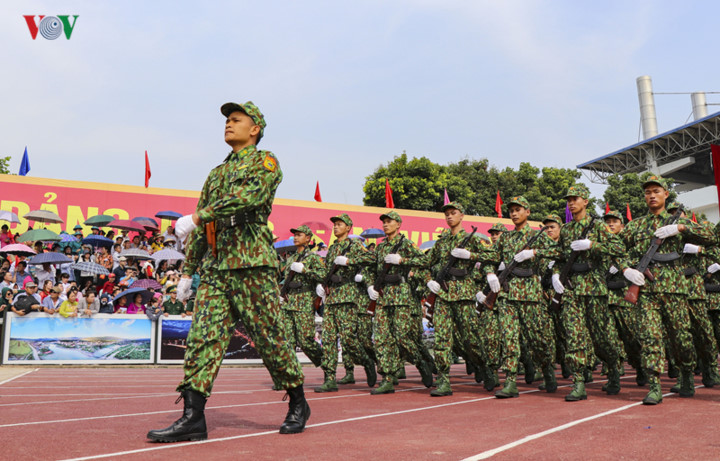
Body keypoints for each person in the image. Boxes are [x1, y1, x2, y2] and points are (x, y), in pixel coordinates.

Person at [147, 100, 308, 443]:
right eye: (227, 120)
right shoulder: (216, 173)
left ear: (255, 129)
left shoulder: (265, 162)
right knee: (203, 338)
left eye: (236, 120)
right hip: (218, 270)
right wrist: (189, 272)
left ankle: (297, 401)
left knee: (270, 337)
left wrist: (200, 216)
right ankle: (193, 416)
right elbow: (205, 228)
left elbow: (248, 198)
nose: (228, 124)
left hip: (253, 266)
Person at [620, 176, 715, 404]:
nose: (651, 195)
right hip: (646, 289)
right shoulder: (635, 226)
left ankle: (685, 374)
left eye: (656, 191)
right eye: (647, 192)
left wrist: (681, 228)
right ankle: (654, 385)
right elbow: (616, 250)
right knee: (650, 337)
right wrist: (626, 269)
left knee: (681, 337)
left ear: (666, 195)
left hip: (675, 288)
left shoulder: (677, 222)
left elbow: (711, 237)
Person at [480, 197, 559, 398]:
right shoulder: (505, 238)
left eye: (518, 209)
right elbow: (489, 258)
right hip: (507, 294)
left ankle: (548, 369)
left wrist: (534, 252)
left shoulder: (538, 235)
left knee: (537, 339)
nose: (514, 213)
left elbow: (558, 251)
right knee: (509, 338)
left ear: (528, 211)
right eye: (512, 210)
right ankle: (511, 380)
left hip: (531, 293)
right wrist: (490, 273)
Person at [420, 202, 487, 396]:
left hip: (464, 294)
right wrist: (428, 281)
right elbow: (424, 263)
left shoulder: (470, 239)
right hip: (443, 295)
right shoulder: (440, 243)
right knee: (442, 339)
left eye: (453, 213)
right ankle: (443, 380)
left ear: (462, 215)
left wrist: (470, 255)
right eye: (447, 214)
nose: (449, 217)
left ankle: (484, 366)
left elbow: (490, 257)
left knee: (470, 339)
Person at [366, 210, 434, 394]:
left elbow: (425, 261)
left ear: (398, 224)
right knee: (381, 339)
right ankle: (387, 378)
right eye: (384, 222)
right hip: (383, 295)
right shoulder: (379, 248)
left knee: (402, 337)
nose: (385, 224)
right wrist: (370, 285)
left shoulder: (407, 244)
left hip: (402, 295)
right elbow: (371, 269)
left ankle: (421, 364)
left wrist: (402, 260)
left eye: (389, 221)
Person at [314, 213, 376, 393]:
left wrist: (350, 261)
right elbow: (326, 270)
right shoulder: (333, 248)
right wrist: (321, 284)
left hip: (348, 297)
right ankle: (329, 378)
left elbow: (372, 259)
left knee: (348, 338)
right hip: (332, 297)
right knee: (329, 339)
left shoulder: (354, 245)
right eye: (334, 225)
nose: (335, 227)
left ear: (348, 227)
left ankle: (366, 361)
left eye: (339, 224)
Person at [279, 225, 324, 368]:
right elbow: (286, 280)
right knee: (288, 341)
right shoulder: (291, 258)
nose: (296, 237)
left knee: (305, 341)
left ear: (308, 239)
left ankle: (326, 362)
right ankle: (290, 375)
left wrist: (305, 270)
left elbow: (323, 276)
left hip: (304, 301)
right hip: (289, 302)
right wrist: (282, 294)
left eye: (299, 235)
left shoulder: (313, 257)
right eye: (295, 235)